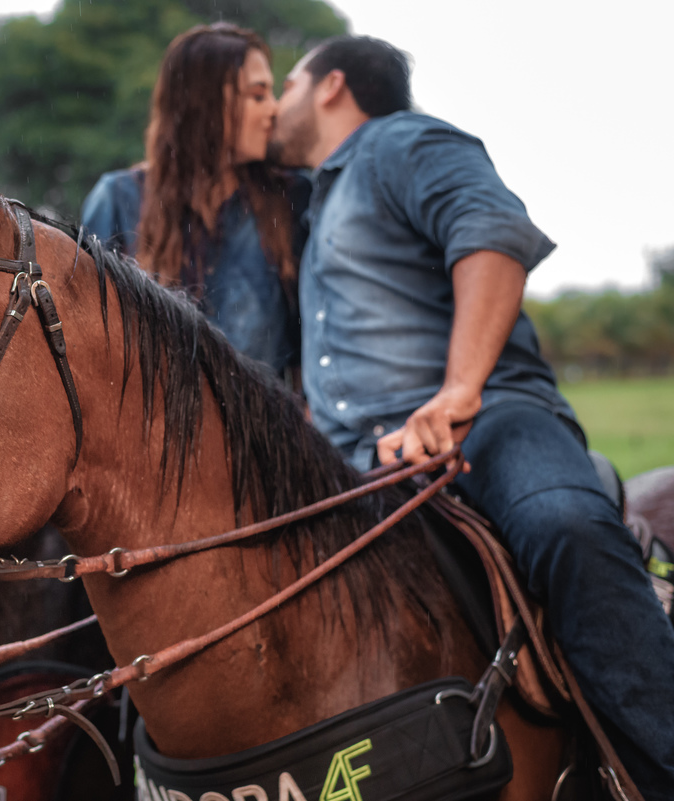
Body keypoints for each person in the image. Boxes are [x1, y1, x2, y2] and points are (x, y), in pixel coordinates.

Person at [269, 34, 674, 796]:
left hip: (489, 421)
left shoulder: (403, 141)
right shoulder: (317, 201)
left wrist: (458, 391)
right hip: (361, 461)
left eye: (284, 85)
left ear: (331, 86)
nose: (273, 106)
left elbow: (491, 233)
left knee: (565, 526)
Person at [80, 23, 308, 378]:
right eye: (258, 95)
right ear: (206, 104)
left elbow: (310, 338)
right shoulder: (118, 199)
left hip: (262, 414)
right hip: (151, 412)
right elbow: (88, 336)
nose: (274, 109)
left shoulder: (291, 198)